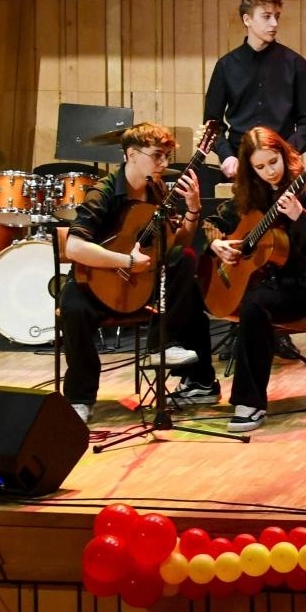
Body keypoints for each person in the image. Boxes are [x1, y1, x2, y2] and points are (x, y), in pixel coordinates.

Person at [58, 123, 218, 423]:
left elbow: (175, 242)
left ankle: (164, 347)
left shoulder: (157, 190)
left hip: (141, 284)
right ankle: (80, 397)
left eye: (167, 156)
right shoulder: (103, 192)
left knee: (184, 259)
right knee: (73, 308)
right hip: (93, 283)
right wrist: (125, 261)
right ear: (132, 154)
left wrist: (193, 210)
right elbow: (75, 247)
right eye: (157, 156)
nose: (164, 164)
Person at [206, 128, 306, 433]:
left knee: (254, 305)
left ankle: (250, 403)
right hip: (265, 284)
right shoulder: (253, 193)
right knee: (197, 283)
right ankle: (198, 382)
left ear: (283, 154)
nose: (269, 172)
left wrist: (300, 216)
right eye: (260, 167)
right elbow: (215, 221)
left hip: (303, 287)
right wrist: (216, 243)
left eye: (273, 162)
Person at [204, 0, 306, 181]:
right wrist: (227, 155)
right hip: (240, 164)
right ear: (247, 20)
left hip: (282, 164)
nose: (274, 24)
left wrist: (287, 153)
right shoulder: (226, 65)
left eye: (277, 16)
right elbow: (212, 123)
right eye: (266, 17)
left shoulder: (295, 63)